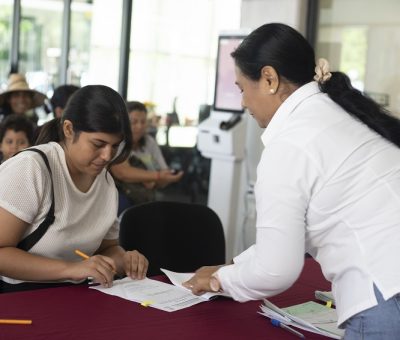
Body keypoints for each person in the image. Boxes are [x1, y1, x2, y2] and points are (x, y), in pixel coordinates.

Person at [183, 23, 400, 339]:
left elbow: (276, 270)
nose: (243, 103)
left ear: (269, 79)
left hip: (383, 292)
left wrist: (222, 280)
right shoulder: (342, 115)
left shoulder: (290, 144)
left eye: (243, 88)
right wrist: (230, 268)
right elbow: (284, 240)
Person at [0, 85, 148, 293]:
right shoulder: (32, 168)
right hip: (21, 297)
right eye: (98, 144)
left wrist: (124, 259)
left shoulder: (105, 181)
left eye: (115, 146)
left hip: (76, 295)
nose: (107, 156)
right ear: (69, 130)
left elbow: (108, 247)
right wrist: (72, 269)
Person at [111, 101, 183, 214]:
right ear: (124, 123)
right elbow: (122, 172)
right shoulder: (117, 142)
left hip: (147, 193)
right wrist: (155, 176)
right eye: (134, 122)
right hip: (123, 194)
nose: (139, 126)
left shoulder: (149, 142)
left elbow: (164, 171)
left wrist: (160, 179)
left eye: (143, 122)